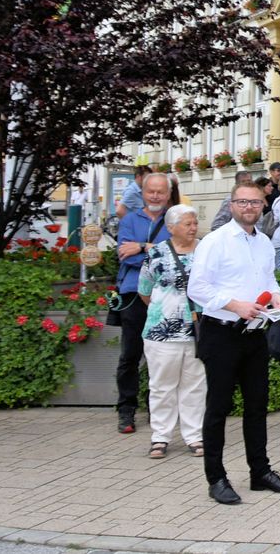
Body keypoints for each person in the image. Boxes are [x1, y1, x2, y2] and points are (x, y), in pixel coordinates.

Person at [187, 182, 280, 505]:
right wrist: (234, 304)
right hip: (221, 331)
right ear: (232, 205)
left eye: (255, 202)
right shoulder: (215, 241)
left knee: (256, 406)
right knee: (218, 408)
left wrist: (277, 297)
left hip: (254, 332)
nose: (249, 207)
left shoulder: (263, 242)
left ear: (264, 205)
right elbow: (198, 288)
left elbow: (265, 280)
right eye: (242, 202)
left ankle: (259, 472)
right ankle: (216, 477)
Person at [138, 203, 206, 459]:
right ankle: (160, 437)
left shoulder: (205, 250)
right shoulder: (156, 253)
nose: (193, 227)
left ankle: (194, 436)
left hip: (197, 331)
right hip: (161, 332)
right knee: (161, 386)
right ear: (171, 228)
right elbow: (144, 290)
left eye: (194, 223)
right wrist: (165, 309)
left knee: (195, 385)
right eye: (187, 223)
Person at [113, 172, 172, 434]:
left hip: (165, 294)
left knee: (161, 355)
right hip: (134, 293)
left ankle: (155, 407)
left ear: (168, 194)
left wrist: (142, 247)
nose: (156, 196)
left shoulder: (174, 219)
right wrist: (153, 251)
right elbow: (125, 257)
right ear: (143, 193)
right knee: (131, 354)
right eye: (151, 192)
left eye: (161, 192)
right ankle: (126, 409)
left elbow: (175, 254)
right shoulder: (129, 219)